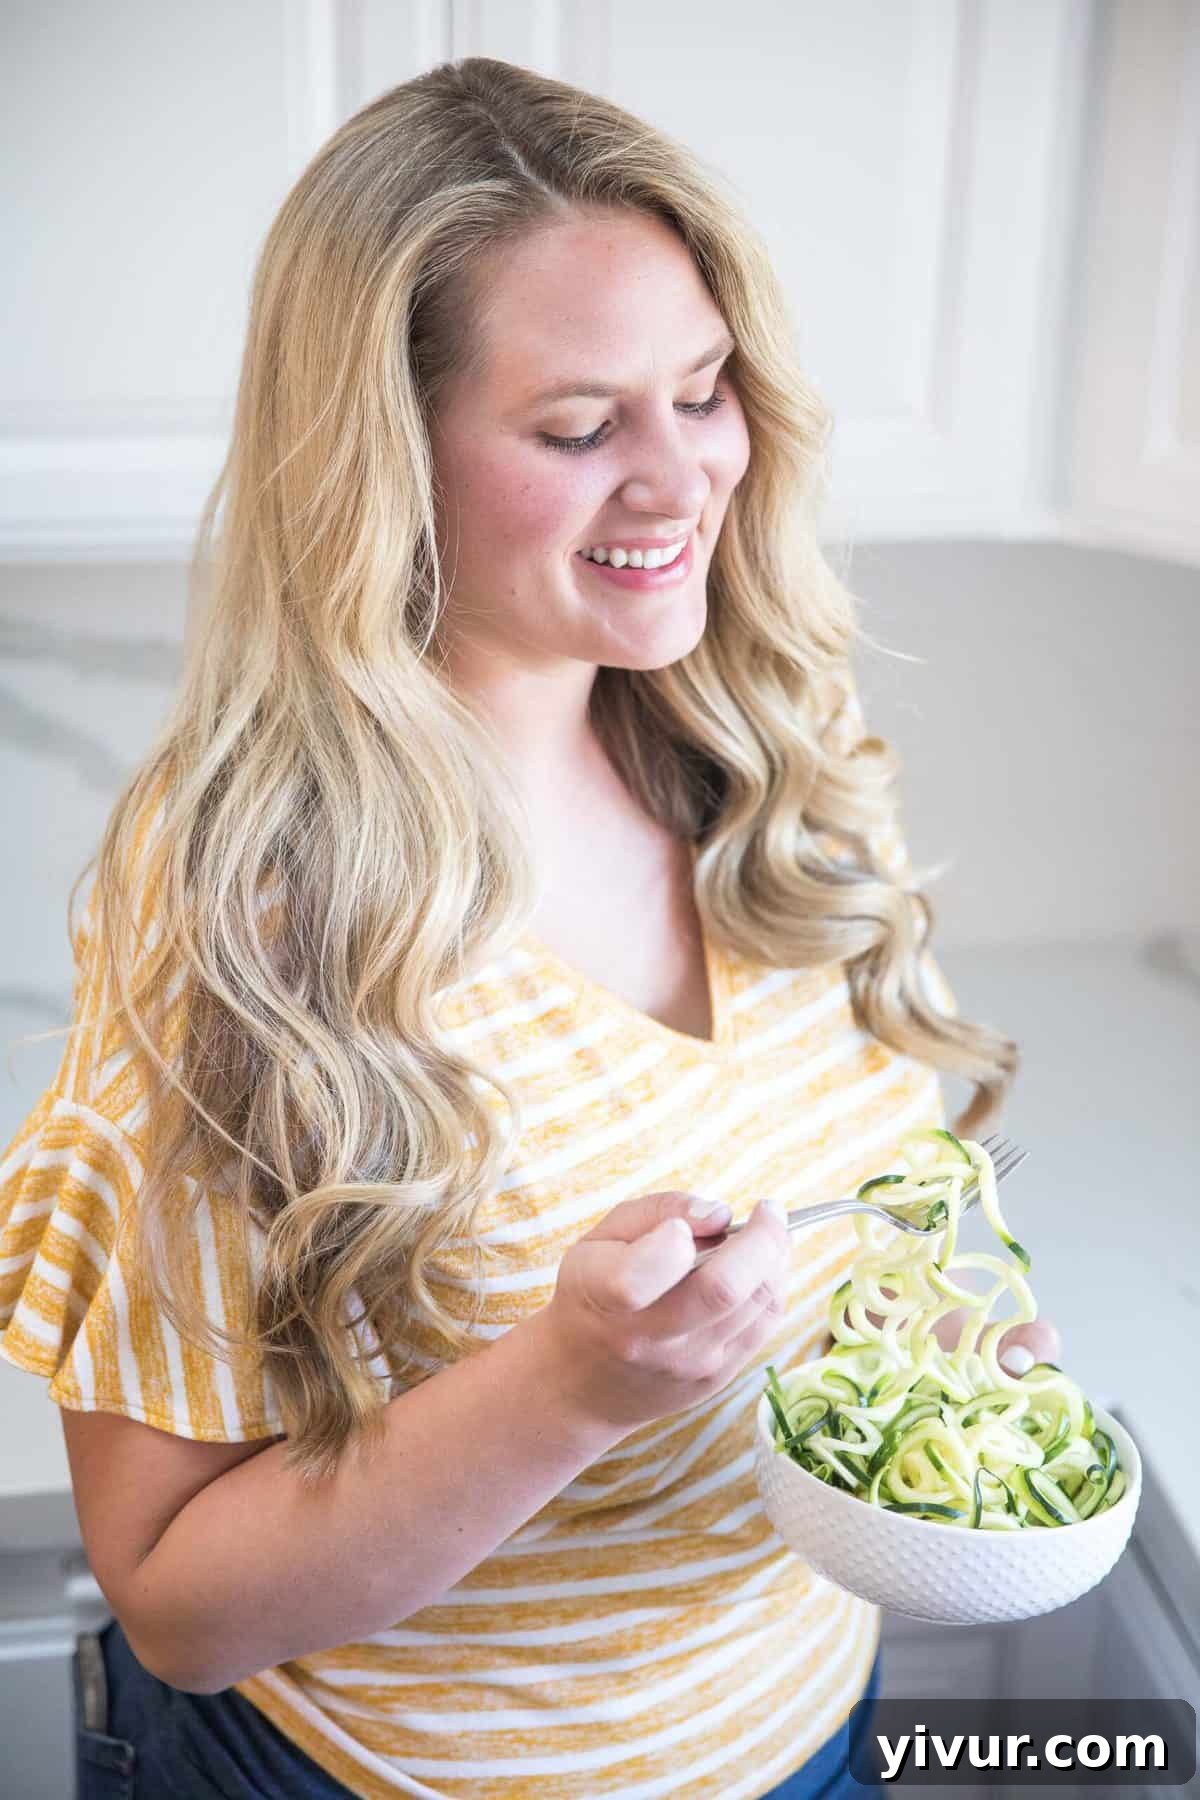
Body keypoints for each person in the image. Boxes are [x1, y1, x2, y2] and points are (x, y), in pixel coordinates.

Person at [1, 55, 1053, 1800]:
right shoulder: (254, 911)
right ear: (383, 461)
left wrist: (942, 1367)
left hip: (812, 1729)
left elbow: (861, 1200)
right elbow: (178, 1606)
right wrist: (568, 1383)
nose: (682, 480)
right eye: (578, 429)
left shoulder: (764, 747)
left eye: (704, 392)